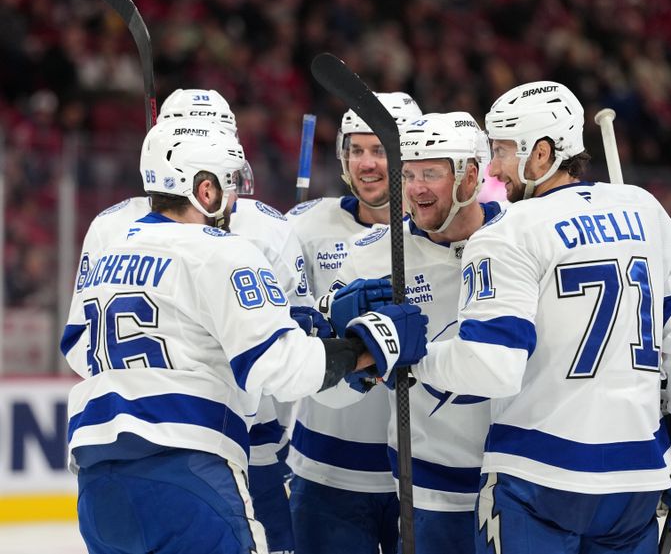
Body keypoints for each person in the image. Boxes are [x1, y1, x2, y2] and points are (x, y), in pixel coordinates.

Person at [60, 118, 428, 554]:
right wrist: (367, 347)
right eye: (229, 182)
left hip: (97, 480)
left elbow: (79, 348)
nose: (234, 197)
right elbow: (282, 368)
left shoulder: (112, 250)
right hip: (186, 470)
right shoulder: (223, 249)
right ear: (205, 189)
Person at [410, 81, 671, 554]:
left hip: (536, 476)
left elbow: (490, 364)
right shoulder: (644, 209)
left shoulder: (507, 232)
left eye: (502, 151)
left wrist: (410, 357)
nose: (494, 169)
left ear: (542, 154)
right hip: (635, 477)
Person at [68, 88, 309, 553]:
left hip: (237, 444)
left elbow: (81, 344)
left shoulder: (269, 225)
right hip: (202, 443)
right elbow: (287, 357)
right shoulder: (112, 225)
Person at [322, 111, 500, 554]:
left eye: (431, 173)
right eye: (409, 173)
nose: (415, 188)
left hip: (521, 476)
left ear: (470, 175)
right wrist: (354, 357)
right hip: (429, 482)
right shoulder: (372, 257)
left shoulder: (522, 238)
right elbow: (330, 393)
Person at [285, 92, 422, 554]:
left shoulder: (448, 235)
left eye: (380, 149)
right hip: (326, 470)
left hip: (423, 475)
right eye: (356, 149)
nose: (367, 163)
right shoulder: (303, 226)